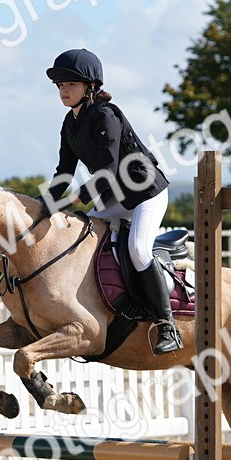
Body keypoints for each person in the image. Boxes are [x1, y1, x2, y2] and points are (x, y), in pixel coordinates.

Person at [42, 48, 182, 354]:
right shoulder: (70, 123)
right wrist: (44, 205)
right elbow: (64, 171)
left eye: (71, 85)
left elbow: (108, 170)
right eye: (61, 85)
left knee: (138, 249)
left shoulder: (106, 115)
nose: (64, 90)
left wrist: (75, 199)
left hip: (145, 193)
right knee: (81, 240)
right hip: (114, 195)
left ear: (90, 87)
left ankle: (166, 325)